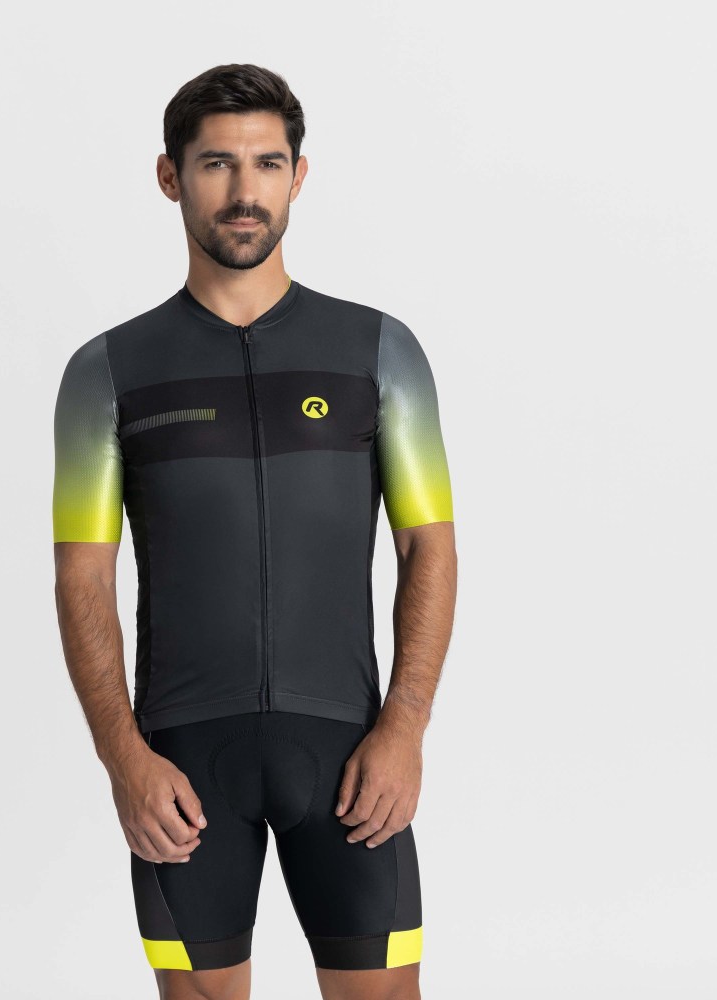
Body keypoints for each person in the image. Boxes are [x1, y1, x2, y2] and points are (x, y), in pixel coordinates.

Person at [52, 63, 457, 1000]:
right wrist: (124, 759)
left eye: (268, 163)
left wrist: (404, 729)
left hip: (350, 756)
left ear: (298, 177)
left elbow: (428, 547)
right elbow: (82, 577)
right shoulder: (107, 372)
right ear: (170, 177)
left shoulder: (380, 351)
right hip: (182, 764)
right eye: (216, 164)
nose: (245, 190)